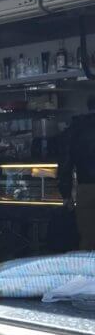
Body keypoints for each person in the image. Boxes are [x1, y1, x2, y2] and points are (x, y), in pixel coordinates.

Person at [58, 95, 95, 250]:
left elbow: (66, 162)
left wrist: (66, 194)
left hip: (85, 188)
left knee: (87, 239)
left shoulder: (76, 128)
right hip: (85, 186)